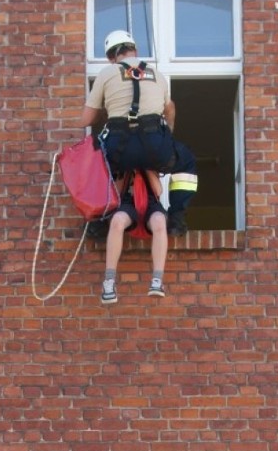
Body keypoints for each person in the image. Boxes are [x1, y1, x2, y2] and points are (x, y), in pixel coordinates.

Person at [82, 29, 197, 237]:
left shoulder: (106, 74)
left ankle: (98, 222)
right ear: (135, 50)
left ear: (111, 57)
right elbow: (169, 108)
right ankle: (177, 219)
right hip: (155, 143)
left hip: (118, 146)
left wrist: (104, 110)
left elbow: (88, 119)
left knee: (94, 162)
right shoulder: (157, 75)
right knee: (186, 161)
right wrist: (166, 138)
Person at [100, 169, 168, 304]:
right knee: (117, 221)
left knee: (160, 222)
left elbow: (159, 191)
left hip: (151, 204)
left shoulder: (152, 161)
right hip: (127, 203)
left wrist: (145, 167)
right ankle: (109, 281)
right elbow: (116, 192)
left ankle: (157, 280)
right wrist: (125, 169)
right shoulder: (123, 164)